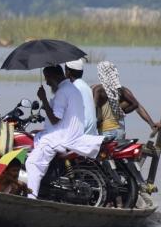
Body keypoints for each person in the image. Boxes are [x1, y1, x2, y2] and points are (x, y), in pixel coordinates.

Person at [26, 65, 104, 198]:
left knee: (32, 163)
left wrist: (44, 99)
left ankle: (31, 198)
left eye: (48, 78)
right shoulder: (72, 89)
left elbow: (55, 119)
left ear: (55, 76)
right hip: (70, 133)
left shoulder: (62, 92)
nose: (47, 82)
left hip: (62, 137)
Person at [92, 60, 161, 141]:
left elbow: (94, 109)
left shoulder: (97, 90)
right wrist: (152, 124)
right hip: (120, 131)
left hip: (106, 132)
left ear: (101, 74)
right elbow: (137, 105)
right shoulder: (122, 90)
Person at [64, 58, 98, 136]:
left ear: (68, 72)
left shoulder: (74, 88)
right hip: (91, 132)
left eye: (65, 70)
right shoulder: (86, 86)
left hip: (82, 133)